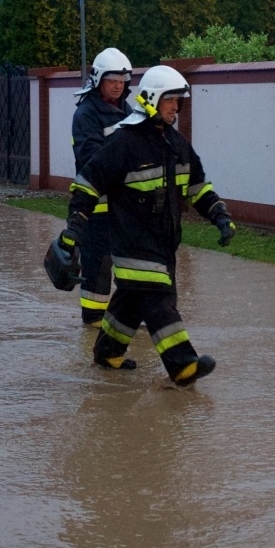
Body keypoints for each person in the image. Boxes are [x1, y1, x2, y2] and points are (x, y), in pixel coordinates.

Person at [61, 65, 236, 386]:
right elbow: (88, 181)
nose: (176, 107)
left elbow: (197, 187)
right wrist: (75, 227)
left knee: (130, 300)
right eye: (171, 100)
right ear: (153, 99)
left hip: (163, 244)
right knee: (159, 299)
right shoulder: (125, 142)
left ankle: (107, 353)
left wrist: (220, 216)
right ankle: (182, 365)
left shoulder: (178, 144)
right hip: (132, 244)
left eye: (178, 101)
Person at [69, 47, 134, 324]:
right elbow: (91, 158)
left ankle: (123, 318)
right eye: (112, 80)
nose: (118, 85)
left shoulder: (128, 110)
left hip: (125, 208)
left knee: (129, 265)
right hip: (96, 207)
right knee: (97, 266)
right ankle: (93, 323)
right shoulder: (86, 114)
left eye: (122, 80)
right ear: (98, 80)